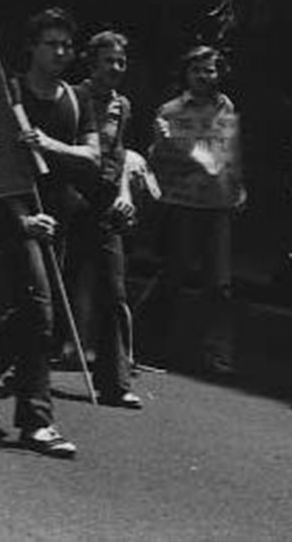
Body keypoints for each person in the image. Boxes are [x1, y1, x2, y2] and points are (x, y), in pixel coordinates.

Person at [0, 7, 81, 459]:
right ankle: (36, 421)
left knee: (33, 313)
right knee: (42, 314)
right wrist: (21, 220)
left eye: (67, 45)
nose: (61, 53)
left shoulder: (74, 98)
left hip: (56, 219)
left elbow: (91, 154)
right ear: (32, 47)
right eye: (52, 44)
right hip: (18, 217)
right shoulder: (10, 96)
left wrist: (49, 146)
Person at [147, 45, 245, 374]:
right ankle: (149, 343)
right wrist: (177, 147)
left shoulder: (225, 106)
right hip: (182, 203)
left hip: (218, 203)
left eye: (211, 70)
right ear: (186, 74)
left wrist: (238, 183)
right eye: (198, 70)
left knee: (220, 284)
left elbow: (224, 156)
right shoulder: (169, 111)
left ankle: (218, 355)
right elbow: (159, 161)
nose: (205, 76)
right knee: (173, 276)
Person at [64, 30, 142, 409]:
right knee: (58, 285)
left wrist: (125, 194)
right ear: (91, 64)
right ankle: (27, 362)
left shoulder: (123, 106)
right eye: (108, 61)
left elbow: (120, 153)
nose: (115, 68)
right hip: (70, 200)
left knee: (114, 290)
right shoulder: (72, 97)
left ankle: (114, 381)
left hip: (105, 204)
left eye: (121, 62)